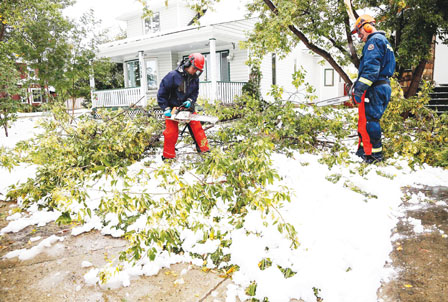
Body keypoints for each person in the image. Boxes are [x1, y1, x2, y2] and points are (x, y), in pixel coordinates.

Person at [350, 14, 396, 163]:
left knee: (370, 121)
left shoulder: (374, 42)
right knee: (366, 120)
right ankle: (364, 151)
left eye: (359, 32)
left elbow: (371, 70)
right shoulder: (383, 41)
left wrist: (359, 89)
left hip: (375, 87)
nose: (359, 36)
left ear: (367, 27)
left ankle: (375, 156)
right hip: (382, 86)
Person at [157, 53, 210, 160]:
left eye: (198, 70)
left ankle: (205, 151)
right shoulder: (172, 76)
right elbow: (162, 93)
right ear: (188, 63)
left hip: (186, 108)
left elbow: (195, 92)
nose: (195, 71)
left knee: (197, 127)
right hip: (172, 108)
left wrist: (190, 101)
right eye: (194, 68)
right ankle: (168, 156)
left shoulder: (195, 78)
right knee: (171, 132)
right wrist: (165, 108)